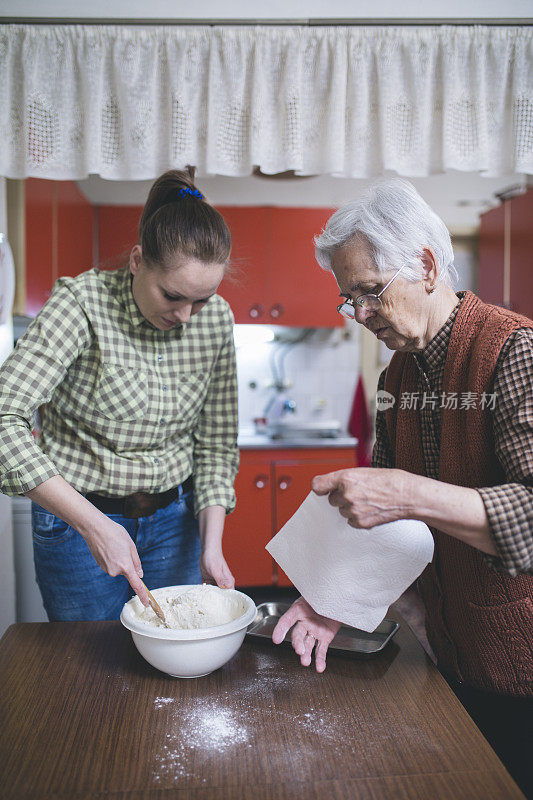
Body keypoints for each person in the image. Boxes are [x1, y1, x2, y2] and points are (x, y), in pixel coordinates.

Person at [272, 179, 532, 796]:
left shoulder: (516, 351)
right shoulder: (400, 374)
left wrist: (408, 493)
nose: (359, 314)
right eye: (348, 298)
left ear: (425, 263)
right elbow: (385, 524)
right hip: (450, 652)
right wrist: (331, 601)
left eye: (369, 291)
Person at [0, 170, 239, 621]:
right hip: (76, 524)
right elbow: (3, 415)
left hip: (175, 525)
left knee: (173, 661)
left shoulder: (217, 321)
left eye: (202, 300)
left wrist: (211, 544)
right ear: (137, 260)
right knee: (92, 672)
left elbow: (216, 443)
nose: (188, 317)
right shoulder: (82, 303)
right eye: (173, 295)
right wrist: (92, 525)